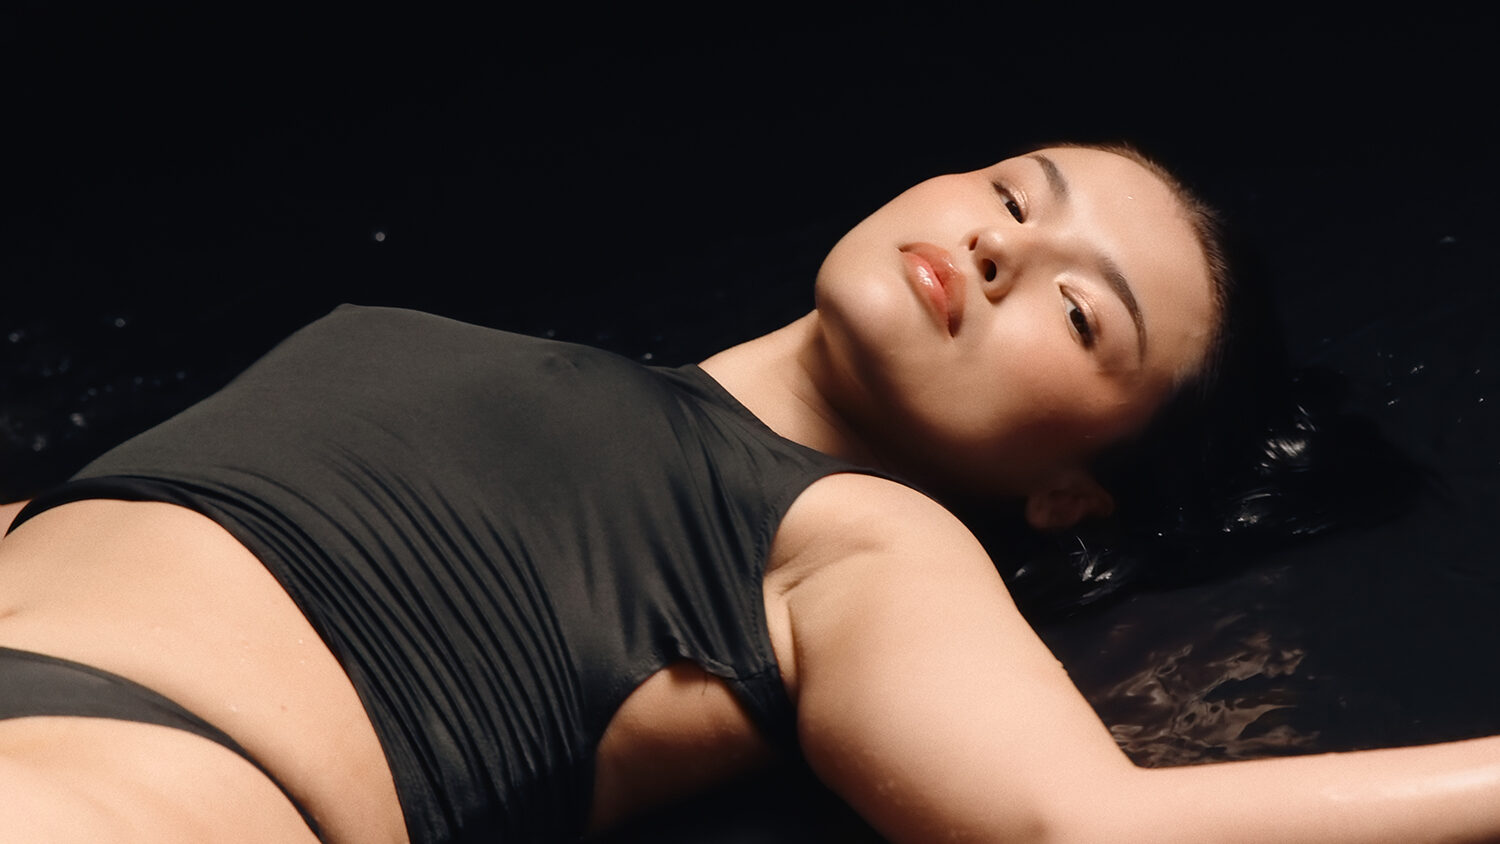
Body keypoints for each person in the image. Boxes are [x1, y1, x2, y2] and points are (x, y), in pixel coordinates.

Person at [1, 144, 1497, 843]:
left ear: (1071, 493)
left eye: (1077, 308)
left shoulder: (862, 537)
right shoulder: (547, 367)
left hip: (132, 786)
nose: (999, 245)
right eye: (1013, 192)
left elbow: (1075, 825)